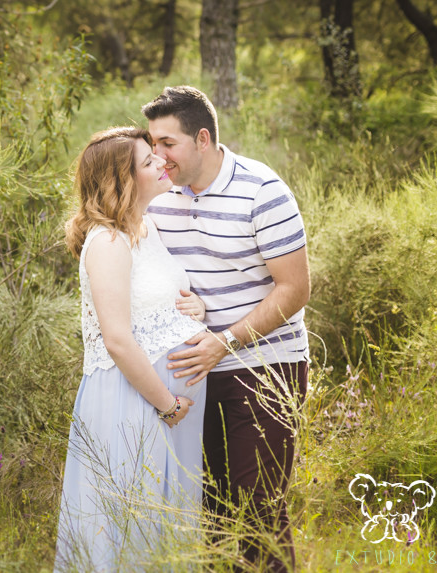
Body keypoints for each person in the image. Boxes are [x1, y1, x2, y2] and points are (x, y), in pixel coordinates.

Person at [142, 86, 310, 572]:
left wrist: (225, 340)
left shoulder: (263, 190)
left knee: (258, 512)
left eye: (167, 144)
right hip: (191, 374)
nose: (159, 156)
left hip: (266, 366)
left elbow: (294, 289)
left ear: (202, 138)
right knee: (210, 513)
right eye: (152, 144)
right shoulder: (158, 195)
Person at [54, 127, 211, 573]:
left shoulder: (148, 226)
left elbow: (160, 299)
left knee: (165, 527)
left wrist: (194, 305)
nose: (162, 163)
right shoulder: (106, 243)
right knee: (129, 527)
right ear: (120, 182)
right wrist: (167, 404)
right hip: (135, 402)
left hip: (168, 406)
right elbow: (118, 339)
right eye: (148, 162)